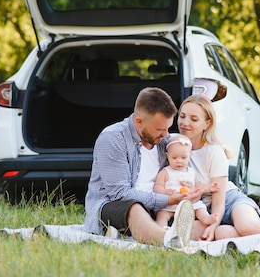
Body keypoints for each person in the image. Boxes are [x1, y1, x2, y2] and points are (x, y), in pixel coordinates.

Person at [83, 87, 205, 249]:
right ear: (139, 121)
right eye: (160, 129)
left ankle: (153, 233)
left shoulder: (164, 142)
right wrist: (167, 199)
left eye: (168, 128)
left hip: (158, 207)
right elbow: (120, 194)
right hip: (117, 205)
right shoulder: (113, 138)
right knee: (135, 208)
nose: (166, 135)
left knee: (203, 221)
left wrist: (187, 190)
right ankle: (167, 239)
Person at [177, 94, 260, 241]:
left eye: (194, 119)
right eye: (182, 116)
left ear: (207, 124)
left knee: (246, 226)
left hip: (229, 200)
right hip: (204, 209)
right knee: (223, 233)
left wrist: (213, 224)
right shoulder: (175, 147)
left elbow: (219, 197)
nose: (185, 123)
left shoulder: (213, 151)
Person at [153, 133, 220, 228]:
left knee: (200, 207)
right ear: (167, 156)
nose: (179, 161)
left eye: (183, 157)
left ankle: (206, 218)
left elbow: (198, 186)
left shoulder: (191, 172)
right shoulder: (165, 172)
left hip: (189, 204)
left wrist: (209, 188)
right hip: (170, 204)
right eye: (174, 158)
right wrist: (164, 192)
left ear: (190, 156)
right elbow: (157, 186)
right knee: (161, 214)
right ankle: (161, 229)